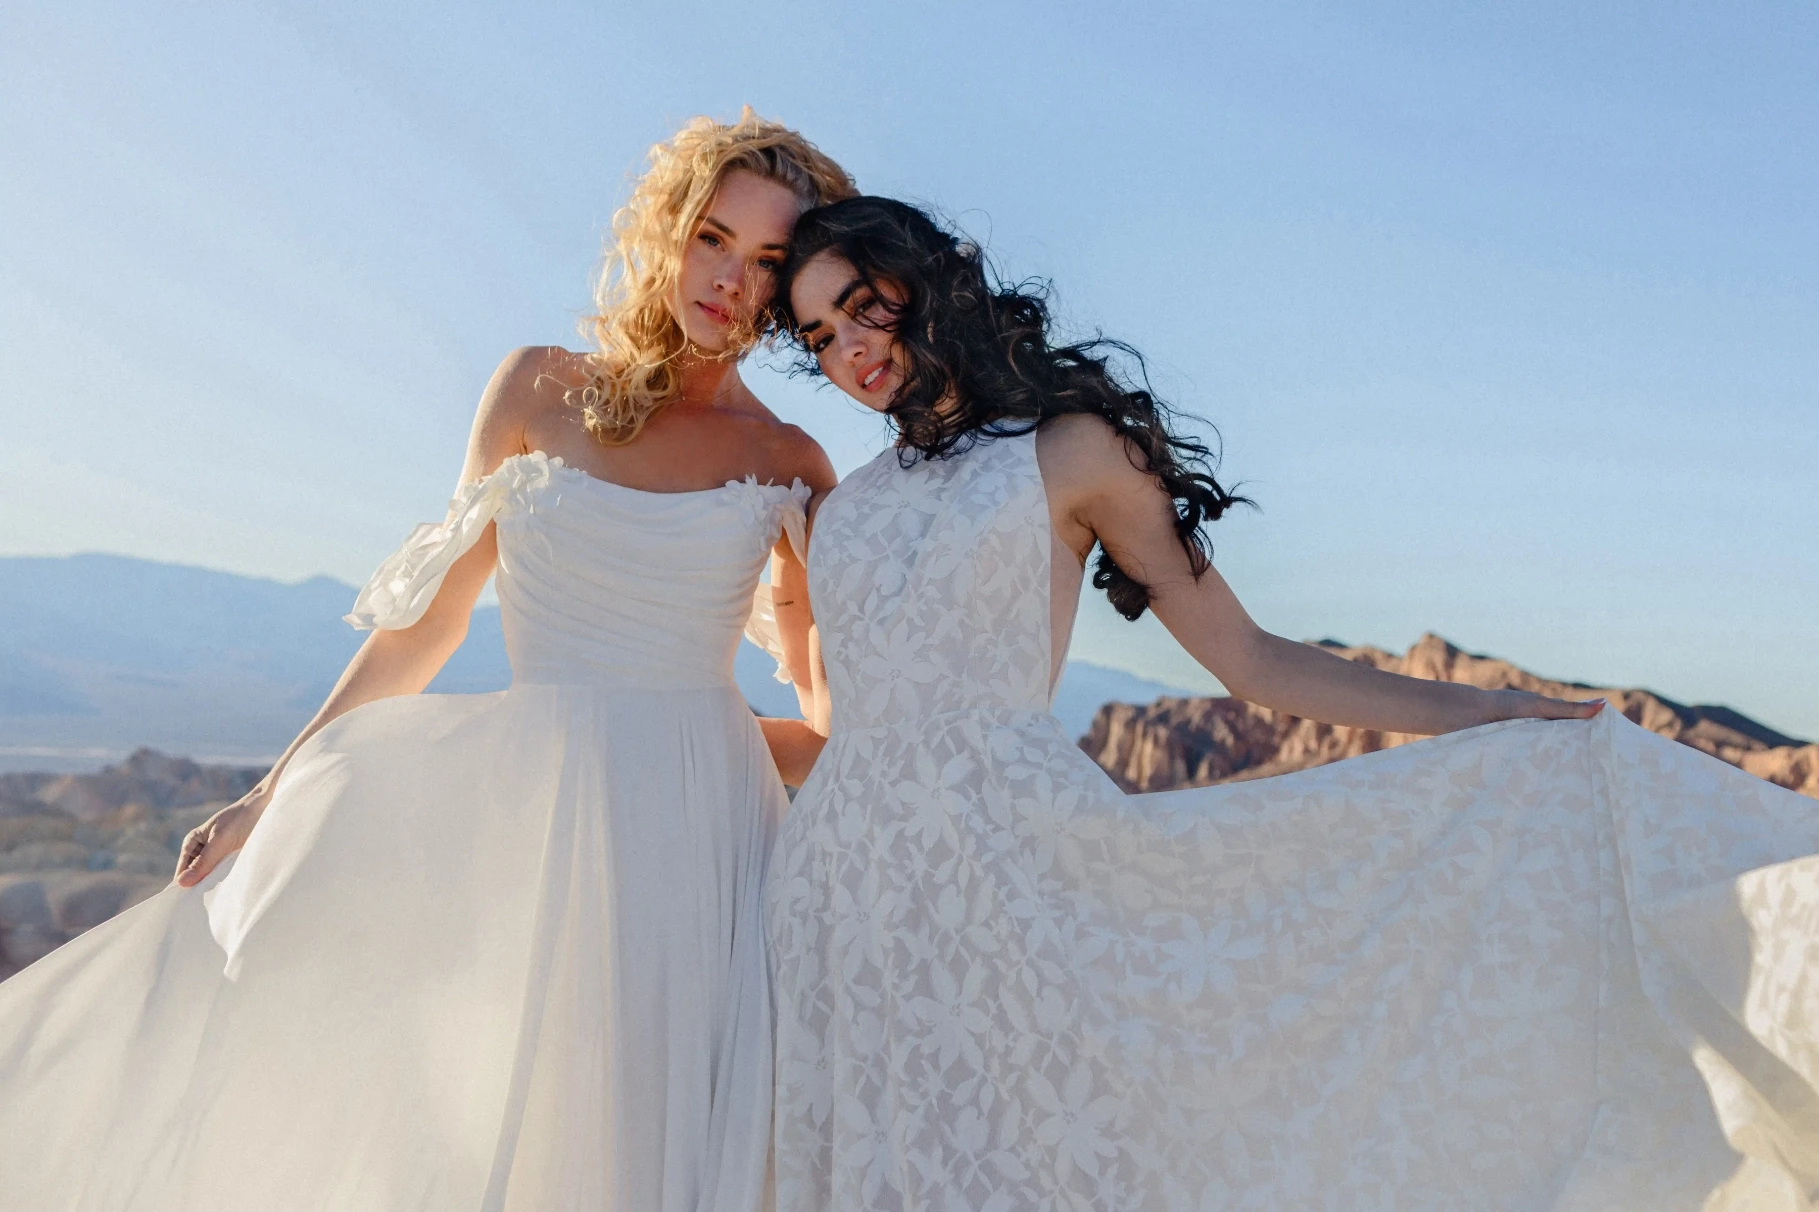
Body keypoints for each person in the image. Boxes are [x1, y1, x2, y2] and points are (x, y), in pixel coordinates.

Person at [765, 195, 1819, 1209]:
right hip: (840, 896)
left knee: (1047, 1160)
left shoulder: (1069, 451)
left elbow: (1251, 659)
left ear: (926, 281)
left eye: (865, 306)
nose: (850, 352)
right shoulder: (845, 512)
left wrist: (1485, 715)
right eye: (817, 335)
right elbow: (846, 732)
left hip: (1007, 874)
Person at [0, 111, 849, 1212]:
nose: (730, 280)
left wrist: (695, 736)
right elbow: (426, 627)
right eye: (712, 238)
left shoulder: (790, 463)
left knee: (667, 1139)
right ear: (666, 232)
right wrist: (273, 788)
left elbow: (830, 727)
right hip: (530, 826)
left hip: (704, 847)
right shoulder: (532, 390)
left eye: (768, 262)